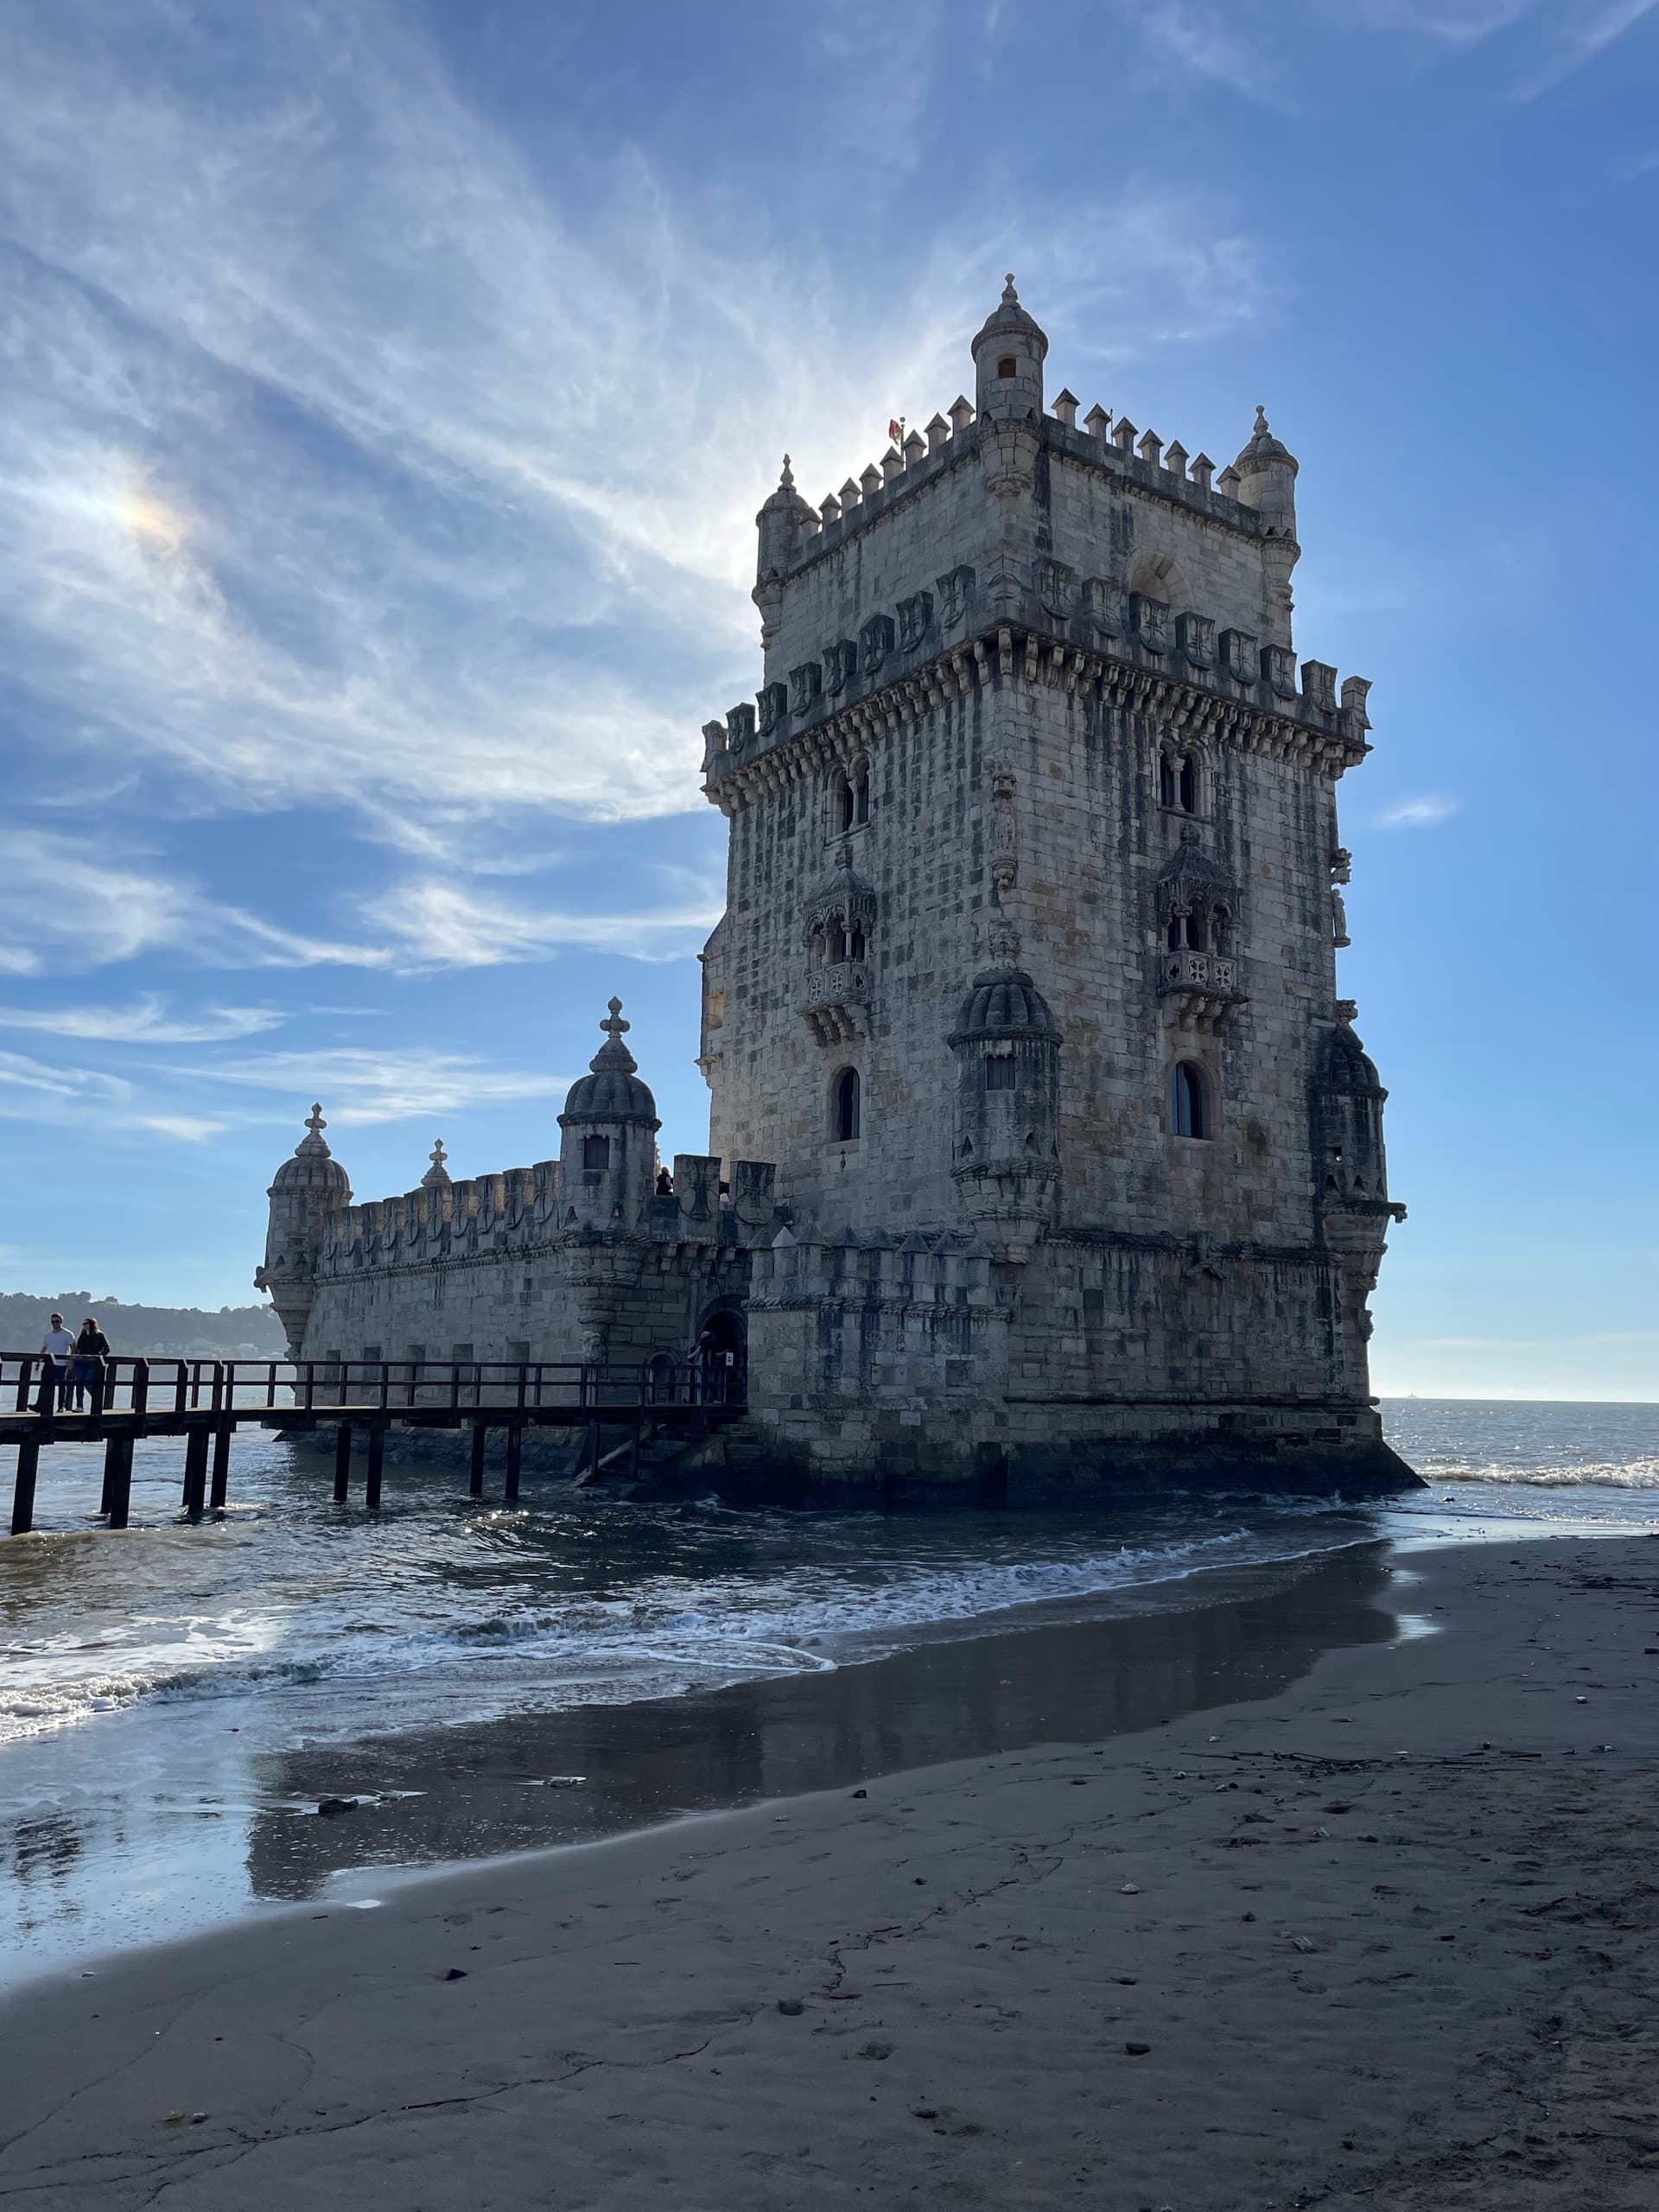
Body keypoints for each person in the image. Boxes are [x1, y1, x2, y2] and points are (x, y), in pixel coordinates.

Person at [70, 1317, 110, 1411]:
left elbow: (107, 1348)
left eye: (86, 1323)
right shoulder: (83, 1336)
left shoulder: (99, 1335)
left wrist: (98, 1356)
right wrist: (74, 1360)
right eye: (83, 1324)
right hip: (80, 1362)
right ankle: (80, 1406)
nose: (85, 1326)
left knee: (88, 1381)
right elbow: (78, 1349)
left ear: (92, 1324)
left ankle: (97, 1400)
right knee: (79, 1383)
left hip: (92, 1363)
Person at [39, 1313, 74, 1411]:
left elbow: (73, 1348)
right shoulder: (48, 1335)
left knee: (62, 1385)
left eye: (57, 1321)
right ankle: (41, 1405)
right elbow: (44, 1348)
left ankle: (61, 1406)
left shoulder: (67, 1334)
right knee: (45, 1383)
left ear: (61, 1321)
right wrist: (38, 1361)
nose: (55, 1323)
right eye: (53, 1321)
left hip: (62, 1364)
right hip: (50, 1364)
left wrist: (71, 1360)